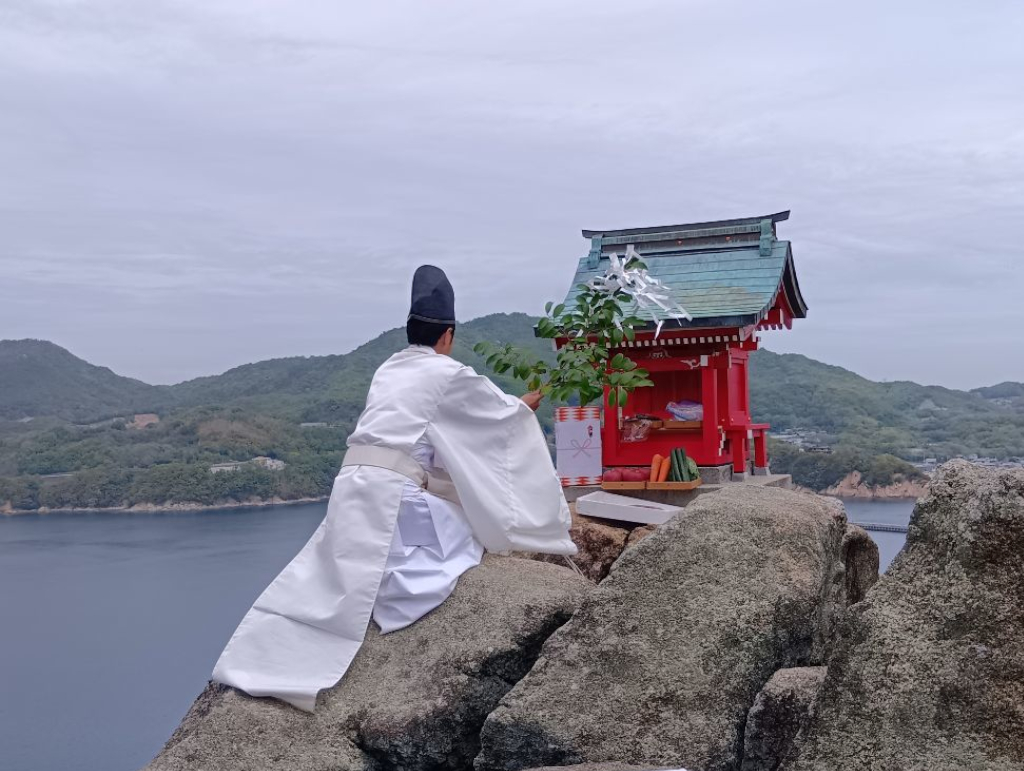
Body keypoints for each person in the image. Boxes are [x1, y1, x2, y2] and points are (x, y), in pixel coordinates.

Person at [212, 265, 576, 711]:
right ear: (448, 334)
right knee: (467, 535)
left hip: (350, 486)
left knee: (333, 578)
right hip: (392, 492)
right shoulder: (447, 373)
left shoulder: (388, 369)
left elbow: (421, 437)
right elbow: (495, 421)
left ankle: (276, 647)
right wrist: (522, 408)